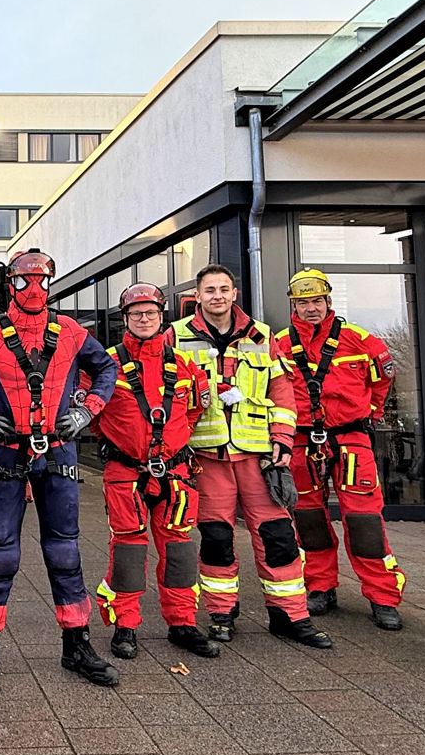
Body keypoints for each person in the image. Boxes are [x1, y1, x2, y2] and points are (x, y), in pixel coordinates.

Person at [0, 249, 120, 692]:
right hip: (6, 453)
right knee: (0, 554)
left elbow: (107, 368)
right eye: (24, 281)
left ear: (51, 283)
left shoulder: (71, 332)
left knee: (65, 551)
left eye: (41, 281)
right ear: (8, 283)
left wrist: (87, 411)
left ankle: (77, 643)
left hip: (60, 453)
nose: (33, 289)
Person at [170, 264, 330, 649]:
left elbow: (283, 392)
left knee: (278, 537)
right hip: (206, 457)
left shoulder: (262, 335)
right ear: (198, 295)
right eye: (210, 290)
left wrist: (283, 439)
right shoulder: (174, 336)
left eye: (224, 288)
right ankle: (222, 614)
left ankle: (291, 615)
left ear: (235, 293)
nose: (218, 296)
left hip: (260, 457)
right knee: (216, 538)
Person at [91, 283, 219, 660]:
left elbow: (195, 410)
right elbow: (93, 415)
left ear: (162, 317)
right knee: (128, 550)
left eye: (150, 313)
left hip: (176, 472)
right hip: (125, 472)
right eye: (136, 314)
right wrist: (120, 444)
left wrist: (172, 443)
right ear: (125, 319)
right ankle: (125, 625)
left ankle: (182, 623)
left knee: (179, 549)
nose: (144, 319)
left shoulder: (185, 366)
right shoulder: (105, 365)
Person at [276, 269, 406, 630]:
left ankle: (382, 596)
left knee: (364, 520)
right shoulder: (281, 346)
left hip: (350, 439)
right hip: (302, 441)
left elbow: (382, 381)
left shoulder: (361, 340)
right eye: (303, 303)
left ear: (329, 301)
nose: (311, 309)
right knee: (308, 518)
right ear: (294, 306)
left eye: (317, 301)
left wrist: (369, 414)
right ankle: (320, 586)